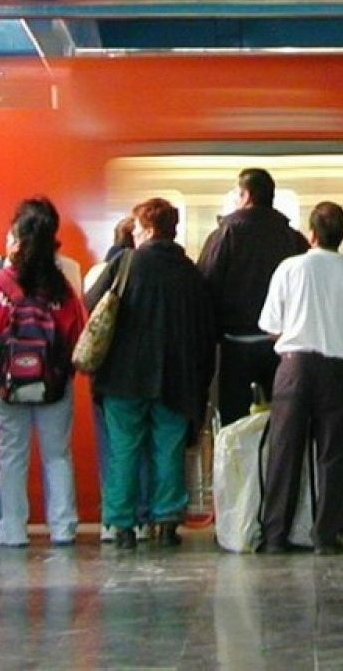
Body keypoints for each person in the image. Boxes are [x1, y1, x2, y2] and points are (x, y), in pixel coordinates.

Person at [87, 198, 216, 549]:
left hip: (123, 380)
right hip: (176, 380)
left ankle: (123, 525)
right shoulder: (191, 274)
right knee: (168, 449)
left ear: (147, 230)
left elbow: (92, 309)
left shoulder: (124, 264)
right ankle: (166, 521)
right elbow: (207, 331)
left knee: (124, 450)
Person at [257, 201, 343, 555]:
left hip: (293, 369)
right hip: (337, 372)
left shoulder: (289, 269)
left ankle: (275, 535)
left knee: (284, 452)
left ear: (311, 233)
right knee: (332, 454)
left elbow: (270, 326)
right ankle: (325, 535)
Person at [0, 198, 86, 547]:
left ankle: (12, 530)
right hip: (55, 384)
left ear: (17, 236)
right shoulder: (65, 283)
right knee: (57, 454)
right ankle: (63, 527)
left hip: (8, 385)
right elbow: (77, 333)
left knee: (11, 454)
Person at [198, 168, 309, 426]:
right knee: (281, 423)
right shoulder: (292, 237)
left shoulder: (224, 234)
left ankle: (238, 466)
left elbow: (208, 284)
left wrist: (209, 336)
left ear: (246, 195)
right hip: (282, 346)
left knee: (235, 423)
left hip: (237, 346)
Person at [83, 216, 152, 542]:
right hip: (147, 372)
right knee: (145, 448)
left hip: (110, 374)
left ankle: (114, 520)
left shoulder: (100, 271)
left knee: (115, 448)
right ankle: (143, 516)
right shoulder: (154, 270)